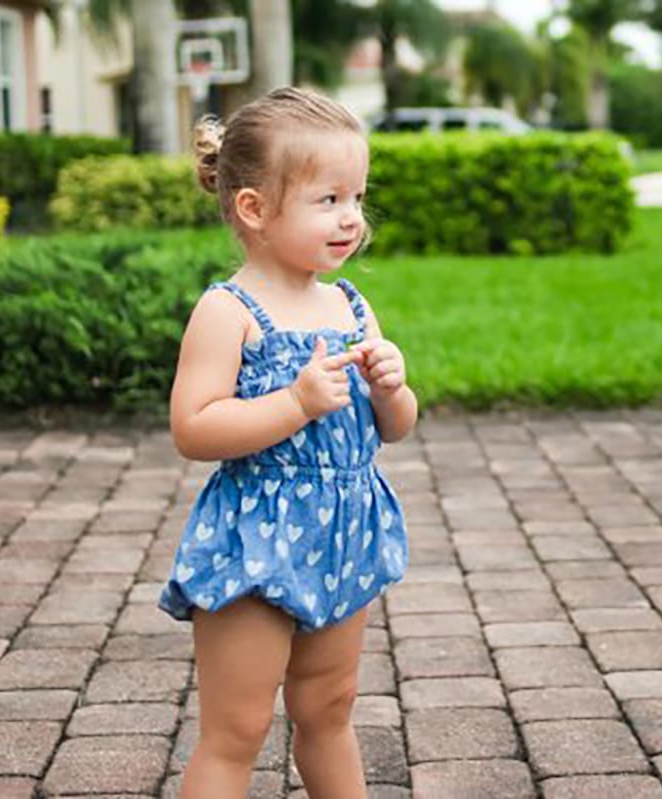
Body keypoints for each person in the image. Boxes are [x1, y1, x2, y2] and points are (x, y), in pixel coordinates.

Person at [158, 86, 417, 799]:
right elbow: (194, 427)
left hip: (343, 535)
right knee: (237, 728)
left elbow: (394, 428)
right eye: (328, 199)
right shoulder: (229, 311)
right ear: (254, 209)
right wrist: (294, 403)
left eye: (357, 197)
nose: (351, 217)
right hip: (255, 539)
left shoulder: (349, 306)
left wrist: (392, 389)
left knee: (329, 708)